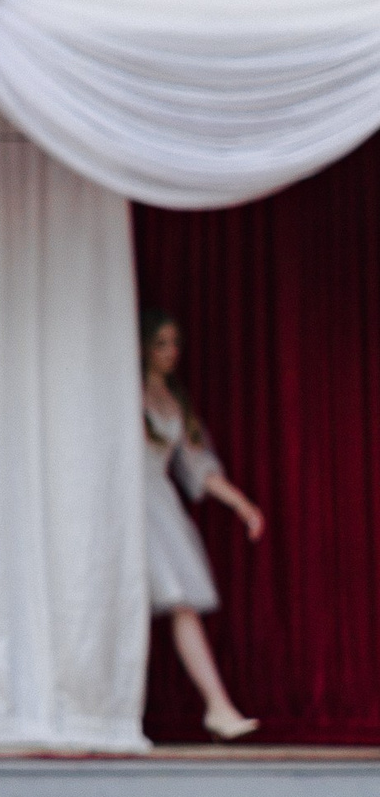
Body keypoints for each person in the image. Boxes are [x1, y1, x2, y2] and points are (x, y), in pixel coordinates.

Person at [141, 309, 265, 742]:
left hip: (158, 507)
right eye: (161, 343)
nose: (171, 352)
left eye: (175, 343)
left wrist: (242, 505)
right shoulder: (126, 392)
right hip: (127, 504)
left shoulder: (174, 400)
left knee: (180, 601)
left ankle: (218, 706)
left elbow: (197, 465)